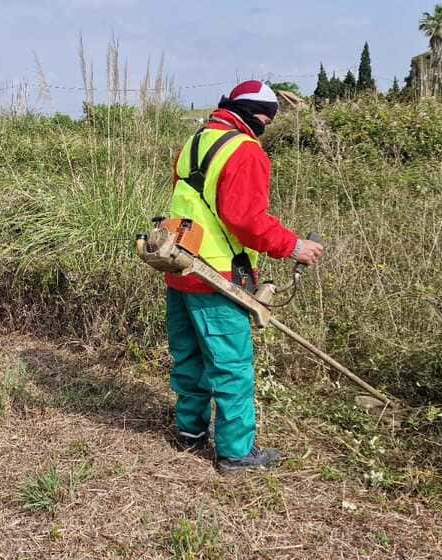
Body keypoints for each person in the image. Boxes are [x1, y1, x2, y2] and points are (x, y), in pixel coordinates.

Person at [164, 81, 324, 474]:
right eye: (268, 118)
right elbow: (247, 221)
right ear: (261, 116)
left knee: (189, 358)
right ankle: (236, 453)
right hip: (216, 277)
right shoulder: (246, 149)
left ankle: (190, 432)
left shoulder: (194, 143)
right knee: (231, 366)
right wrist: (293, 246)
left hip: (179, 265)